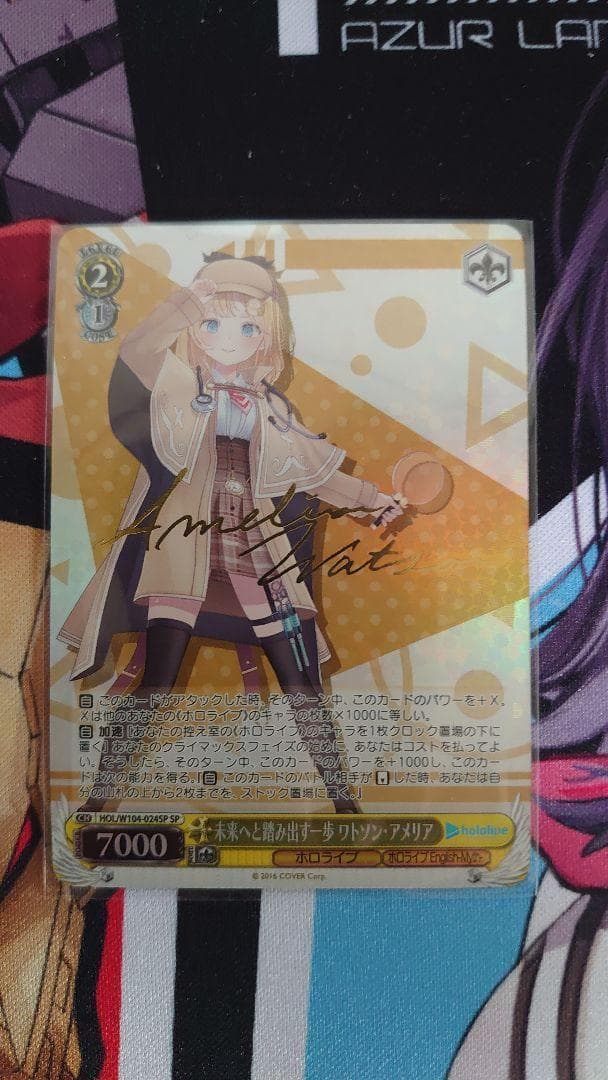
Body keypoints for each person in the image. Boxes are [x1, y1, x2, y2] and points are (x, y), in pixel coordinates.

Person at [60, 252, 401, 813]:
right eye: (214, 322)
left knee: (301, 681)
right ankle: (99, 802)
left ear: (266, 336)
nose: (229, 338)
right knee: (158, 678)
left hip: (256, 548)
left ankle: (344, 803)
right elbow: (137, 349)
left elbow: (314, 471)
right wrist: (185, 301)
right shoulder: (176, 382)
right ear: (196, 328)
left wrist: (373, 500)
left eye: (247, 327)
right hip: (183, 543)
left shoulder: (273, 409)